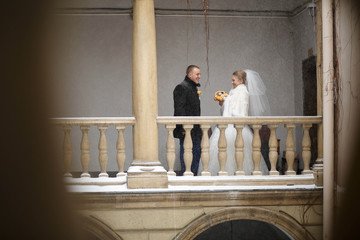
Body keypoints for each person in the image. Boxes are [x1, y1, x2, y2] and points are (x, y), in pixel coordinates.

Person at [206, 69, 270, 176]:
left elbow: (240, 113)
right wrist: (223, 103)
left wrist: (227, 102)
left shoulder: (243, 92)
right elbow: (227, 111)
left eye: (234, 80)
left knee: (238, 153)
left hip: (237, 127)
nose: (232, 82)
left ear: (241, 81)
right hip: (227, 125)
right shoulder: (233, 90)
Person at [173, 65, 202, 176]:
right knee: (187, 154)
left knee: (196, 154)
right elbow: (179, 109)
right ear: (190, 75)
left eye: (199, 74)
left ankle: (193, 176)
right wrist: (183, 127)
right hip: (187, 129)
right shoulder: (181, 87)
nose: (199, 76)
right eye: (197, 74)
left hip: (196, 129)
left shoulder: (192, 87)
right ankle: (187, 177)